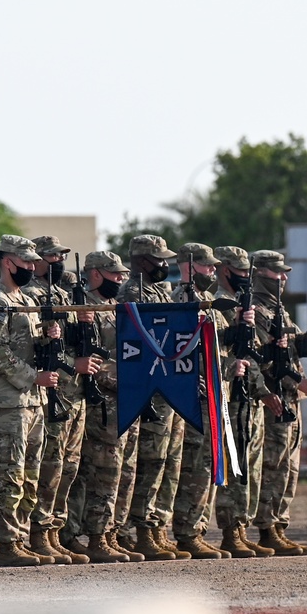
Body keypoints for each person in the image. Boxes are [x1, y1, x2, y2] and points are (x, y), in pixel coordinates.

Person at [0, 234, 62, 567]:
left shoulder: (23, 299)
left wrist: (47, 335)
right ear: (8, 262)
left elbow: (25, 343)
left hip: (31, 402)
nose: (32, 266)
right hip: (8, 403)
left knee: (29, 474)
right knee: (7, 474)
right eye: (26, 262)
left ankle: (20, 536)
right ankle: (6, 541)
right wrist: (32, 377)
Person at [23, 236, 101, 565]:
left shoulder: (63, 294)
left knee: (68, 467)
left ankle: (56, 530)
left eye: (60, 256)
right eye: (51, 256)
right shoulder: (30, 295)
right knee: (50, 467)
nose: (57, 261)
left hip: (75, 394)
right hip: (54, 391)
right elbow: (38, 348)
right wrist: (74, 367)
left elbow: (73, 341)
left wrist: (85, 325)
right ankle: (39, 532)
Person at [64, 250, 142, 563]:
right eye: (115, 274)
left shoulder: (114, 308)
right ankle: (91, 535)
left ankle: (109, 532)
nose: (121, 279)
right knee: (100, 473)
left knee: (120, 473)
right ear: (95, 274)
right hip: (100, 400)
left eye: (122, 274)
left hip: (122, 398)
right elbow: (87, 358)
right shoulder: (81, 308)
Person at [250, 250, 307, 556]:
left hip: (291, 397)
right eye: (277, 272)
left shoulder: (278, 309)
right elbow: (266, 361)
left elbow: (296, 347)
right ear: (261, 274)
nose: (284, 278)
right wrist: (299, 381)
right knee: (275, 464)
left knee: (290, 466)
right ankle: (267, 528)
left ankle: (280, 524)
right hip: (275, 398)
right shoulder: (256, 310)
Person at [170, 242, 243, 559]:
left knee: (208, 465)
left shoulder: (208, 302)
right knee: (194, 468)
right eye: (206, 265)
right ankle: (187, 532)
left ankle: (197, 529)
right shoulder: (180, 302)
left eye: (214, 265)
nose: (212, 270)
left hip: (215, 393)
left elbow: (218, 350)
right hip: (193, 398)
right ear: (188, 266)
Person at [117, 234, 182, 561]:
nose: (165, 265)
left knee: (166, 462)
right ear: (142, 261)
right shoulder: (133, 292)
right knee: (150, 461)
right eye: (159, 259)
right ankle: (141, 528)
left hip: (168, 385)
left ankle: (156, 526)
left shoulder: (159, 291)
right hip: (150, 387)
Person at [212, 246, 275, 558]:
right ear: (224, 269)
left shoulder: (243, 304)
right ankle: (229, 530)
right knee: (233, 460)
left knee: (250, 465)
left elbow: (253, 353)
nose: (243, 276)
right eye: (238, 270)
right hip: (228, 394)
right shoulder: (217, 303)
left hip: (247, 394)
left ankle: (241, 527)